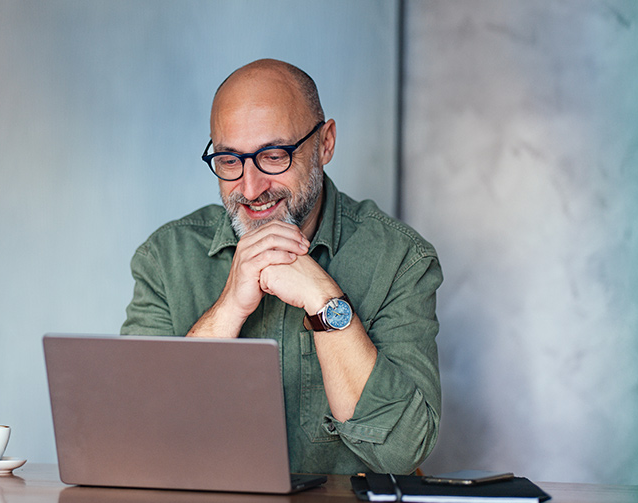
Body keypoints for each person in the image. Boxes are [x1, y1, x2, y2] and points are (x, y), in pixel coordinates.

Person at [121, 59, 442, 475]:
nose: (251, 189)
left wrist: (326, 302)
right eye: (229, 160)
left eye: (274, 156)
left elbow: (403, 451)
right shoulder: (164, 258)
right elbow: (135, 440)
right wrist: (226, 312)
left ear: (325, 143)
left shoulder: (401, 259)